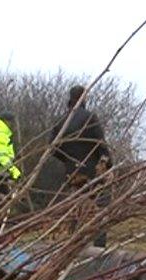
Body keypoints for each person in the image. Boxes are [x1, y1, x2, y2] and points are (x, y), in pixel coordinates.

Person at [51, 85, 111, 246]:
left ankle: (73, 244)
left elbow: (52, 147)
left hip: (72, 172)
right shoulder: (90, 117)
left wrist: (67, 160)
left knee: (74, 209)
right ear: (84, 98)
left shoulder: (61, 121)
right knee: (99, 209)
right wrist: (107, 164)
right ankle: (98, 246)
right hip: (93, 172)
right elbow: (101, 144)